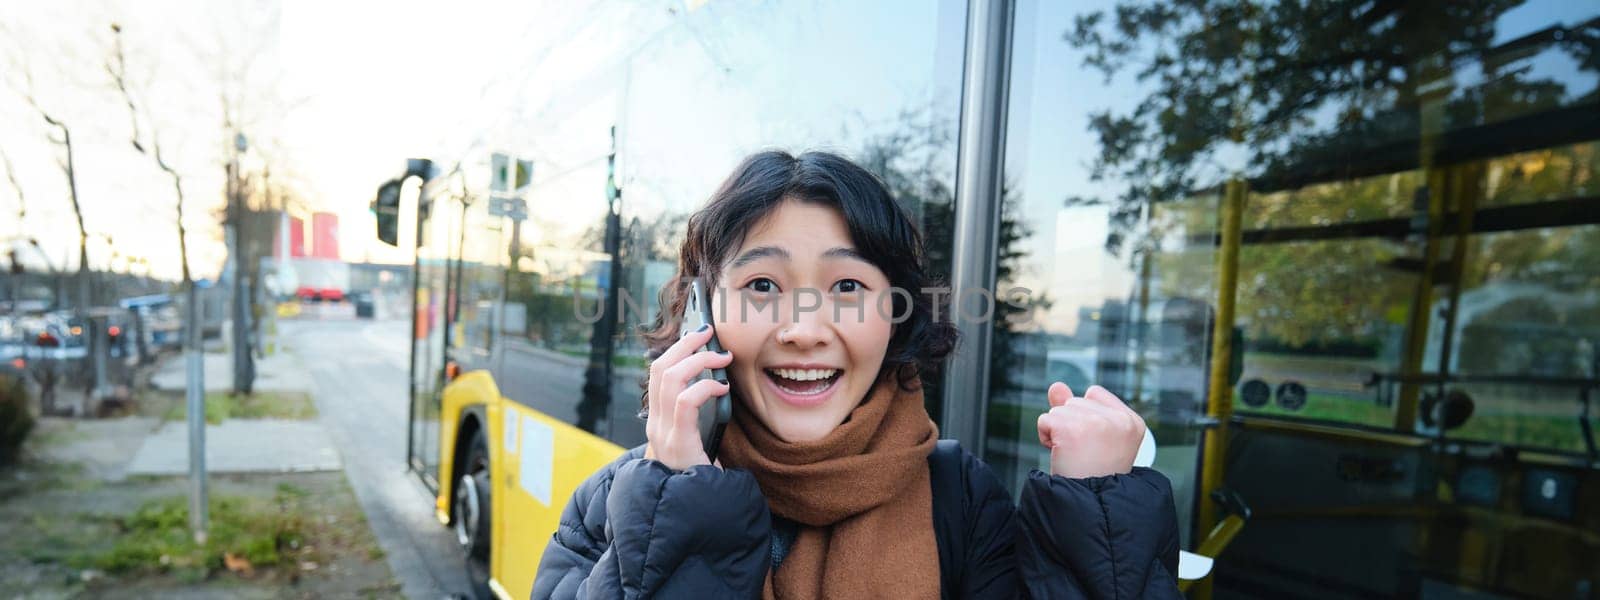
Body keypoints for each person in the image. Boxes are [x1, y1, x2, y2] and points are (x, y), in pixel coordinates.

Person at [533, 151, 1180, 599]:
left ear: (895, 315)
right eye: (762, 285)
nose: (805, 328)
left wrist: (1097, 514)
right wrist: (679, 494)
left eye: (847, 286)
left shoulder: (961, 500)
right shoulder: (620, 504)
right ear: (703, 312)